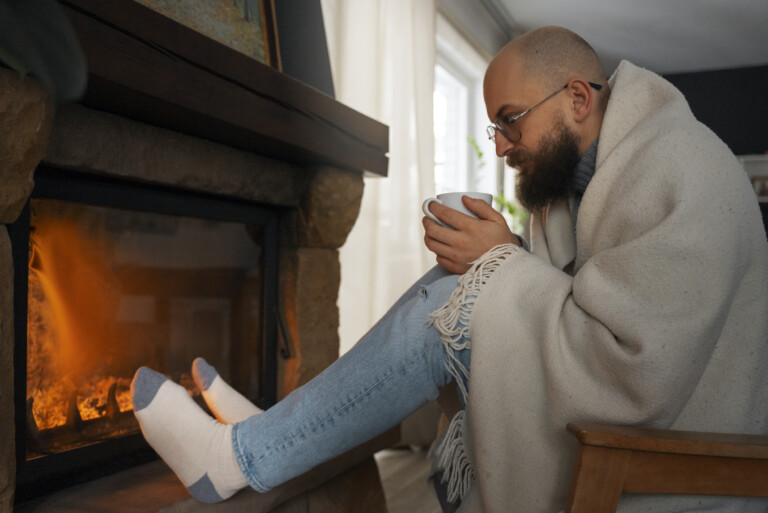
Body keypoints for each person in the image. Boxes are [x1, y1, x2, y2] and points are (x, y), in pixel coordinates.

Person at [130, 26, 768, 513]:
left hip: (676, 451)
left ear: (577, 97)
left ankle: (239, 456)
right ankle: (269, 437)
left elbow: (641, 361)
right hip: (637, 419)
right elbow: (584, 298)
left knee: (463, 296)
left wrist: (498, 264)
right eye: (495, 128)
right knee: (458, 288)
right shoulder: (590, 181)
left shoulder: (682, 167)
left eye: (510, 120)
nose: (502, 145)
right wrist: (503, 258)